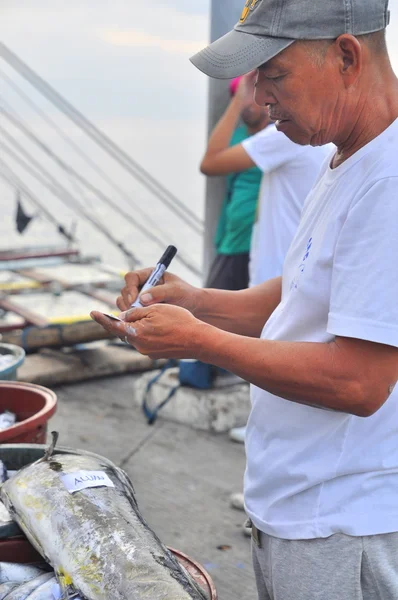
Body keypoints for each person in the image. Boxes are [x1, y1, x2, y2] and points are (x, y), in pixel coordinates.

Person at [91, 0, 398, 597]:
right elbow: (305, 296)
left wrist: (198, 341)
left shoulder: (390, 181)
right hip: (298, 506)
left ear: (345, 56)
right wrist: (196, 301)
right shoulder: (347, 157)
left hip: (338, 521)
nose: (258, 99)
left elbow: (360, 382)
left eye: (272, 73)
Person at [202, 71, 332, 443]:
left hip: (281, 264)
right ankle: (263, 430)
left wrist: (235, 101)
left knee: (273, 359)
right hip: (286, 261)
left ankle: (265, 434)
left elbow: (210, 162)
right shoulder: (308, 142)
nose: (259, 100)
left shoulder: (283, 138)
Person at [203, 76, 269, 291]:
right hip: (230, 238)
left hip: (255, 243)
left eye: (254, 95)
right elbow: (212, 159)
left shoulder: (277, 137)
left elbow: (209, 164)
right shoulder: (238, 138)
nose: (247, 104)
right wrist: (238, 100)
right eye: (240, 97)